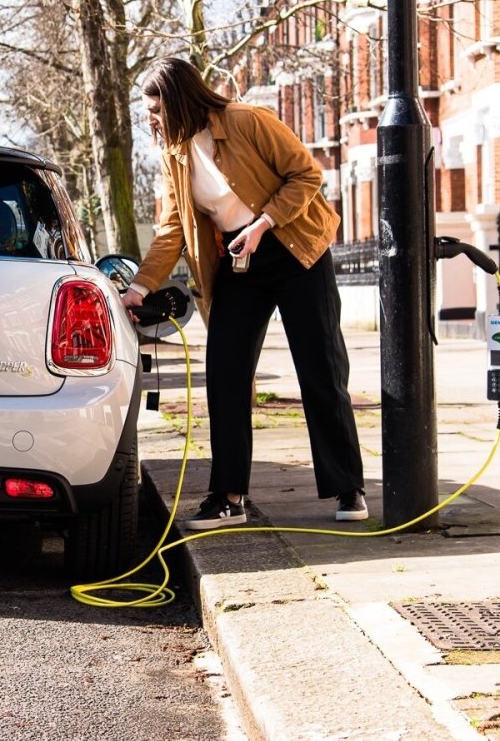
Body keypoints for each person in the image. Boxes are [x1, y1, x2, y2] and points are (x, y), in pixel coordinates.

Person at [120, 56, 367, 529]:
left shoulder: (248, 121)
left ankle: (348, 487)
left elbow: (306, 175)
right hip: (239, 260)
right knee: (226, 375)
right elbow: (173, 228)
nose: (150, 119)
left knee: (320, 368)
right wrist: (140, 286)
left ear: (181, 101)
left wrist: (263, 223)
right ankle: (228, 498)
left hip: (295, 249)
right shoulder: (174, 155)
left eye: (156, 109)